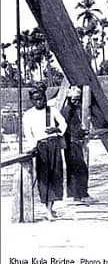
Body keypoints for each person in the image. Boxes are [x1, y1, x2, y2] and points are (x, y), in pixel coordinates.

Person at [23, 81, 67, 221]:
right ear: (32, 100)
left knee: (56, 174)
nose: (39, 101)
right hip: (41, 147)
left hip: (54, 144)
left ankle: (51, 207)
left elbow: (63, 123)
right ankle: (47, 209)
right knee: (44, 177)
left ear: (45, 97)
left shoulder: (52, 110)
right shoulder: (28, 115)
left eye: (41, 98)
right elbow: (28, 133)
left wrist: (56, 129)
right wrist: (33, 146)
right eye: (36, 99)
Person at [61, 86, 95, 204]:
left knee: (75, 169)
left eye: (78, 99)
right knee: (80, 169)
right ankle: (81, 194)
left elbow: (74, 127)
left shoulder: (74, 110)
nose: (76, 102)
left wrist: (82, 132)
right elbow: (65, 128)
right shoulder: (67, 111)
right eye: (73, 99)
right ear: (69, 98)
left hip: (74, 141)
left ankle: (76, 195)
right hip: (71, 143)